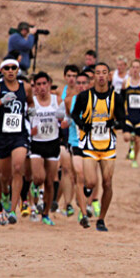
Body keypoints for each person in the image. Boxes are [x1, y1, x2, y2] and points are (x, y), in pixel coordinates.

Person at [0, 58, 35, 224]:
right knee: (4, 176)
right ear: (2, 70)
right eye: (7, 68)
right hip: (1, 136)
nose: (10, 71)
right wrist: (0, 102)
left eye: (13, 68)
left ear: (17, 70)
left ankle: (12, 209)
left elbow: (30, 102)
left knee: (18, 167)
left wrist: (31, 111)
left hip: (19, 134)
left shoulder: (25, 87)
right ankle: (4, 195)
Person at [71, 62, 125, 232]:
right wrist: (82, 125)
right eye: (98, 73)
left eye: (104, 72)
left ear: (109, 76)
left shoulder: (116, 97)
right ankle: (86, 193)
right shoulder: (84, 96)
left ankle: (101, 219)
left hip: (108, 146)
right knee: (91, 182)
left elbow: (123, 120)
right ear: (93, 76)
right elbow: (74, 114)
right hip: (90, 146)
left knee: (108, 183)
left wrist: (114, 122)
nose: (101, 76)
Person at [29, 72, 67, 226]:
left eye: (44, 84)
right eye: (38, 84)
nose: (42, 87)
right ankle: (33, 190)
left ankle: (45, 214)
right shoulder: (32, 103)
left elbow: (66, 119)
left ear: (49, 84)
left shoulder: (57, 101)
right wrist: (30, 130)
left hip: (53, 143)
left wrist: (64, 123)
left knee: (50, 182)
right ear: (35, 87)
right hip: (36, 143)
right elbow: (27, 121)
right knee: (38, 178)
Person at [65, 72, 94, 228]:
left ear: (89, 84)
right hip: (75, 142)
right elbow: (66, 118)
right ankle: (83, 214)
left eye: (84, 83)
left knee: (91, 181)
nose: (82, 86)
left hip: (92, 144)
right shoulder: (70, 101)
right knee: (79, 175)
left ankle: (84, 197)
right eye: (79, 83)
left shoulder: (96, 101)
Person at [55, 64, 80, 218]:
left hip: (75, 135)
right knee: (65, 171)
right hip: (61, 135)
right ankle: (65, 203)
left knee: (73, 173)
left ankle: (65, 203)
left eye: (74, 76)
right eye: (69, 76)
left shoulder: (81, 93)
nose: (72, 79)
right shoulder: (60, 93)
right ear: (65, 77)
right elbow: (57, 113)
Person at [122, 59, 140, 168]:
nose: (135, 69)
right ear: (130, 69)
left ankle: (135, 159)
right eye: (133, 67)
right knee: (126, 137)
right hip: (128, 115)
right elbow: (121, 96)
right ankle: (132, 140)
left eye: (137, 67)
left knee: (138, 140)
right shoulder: (126, 83)